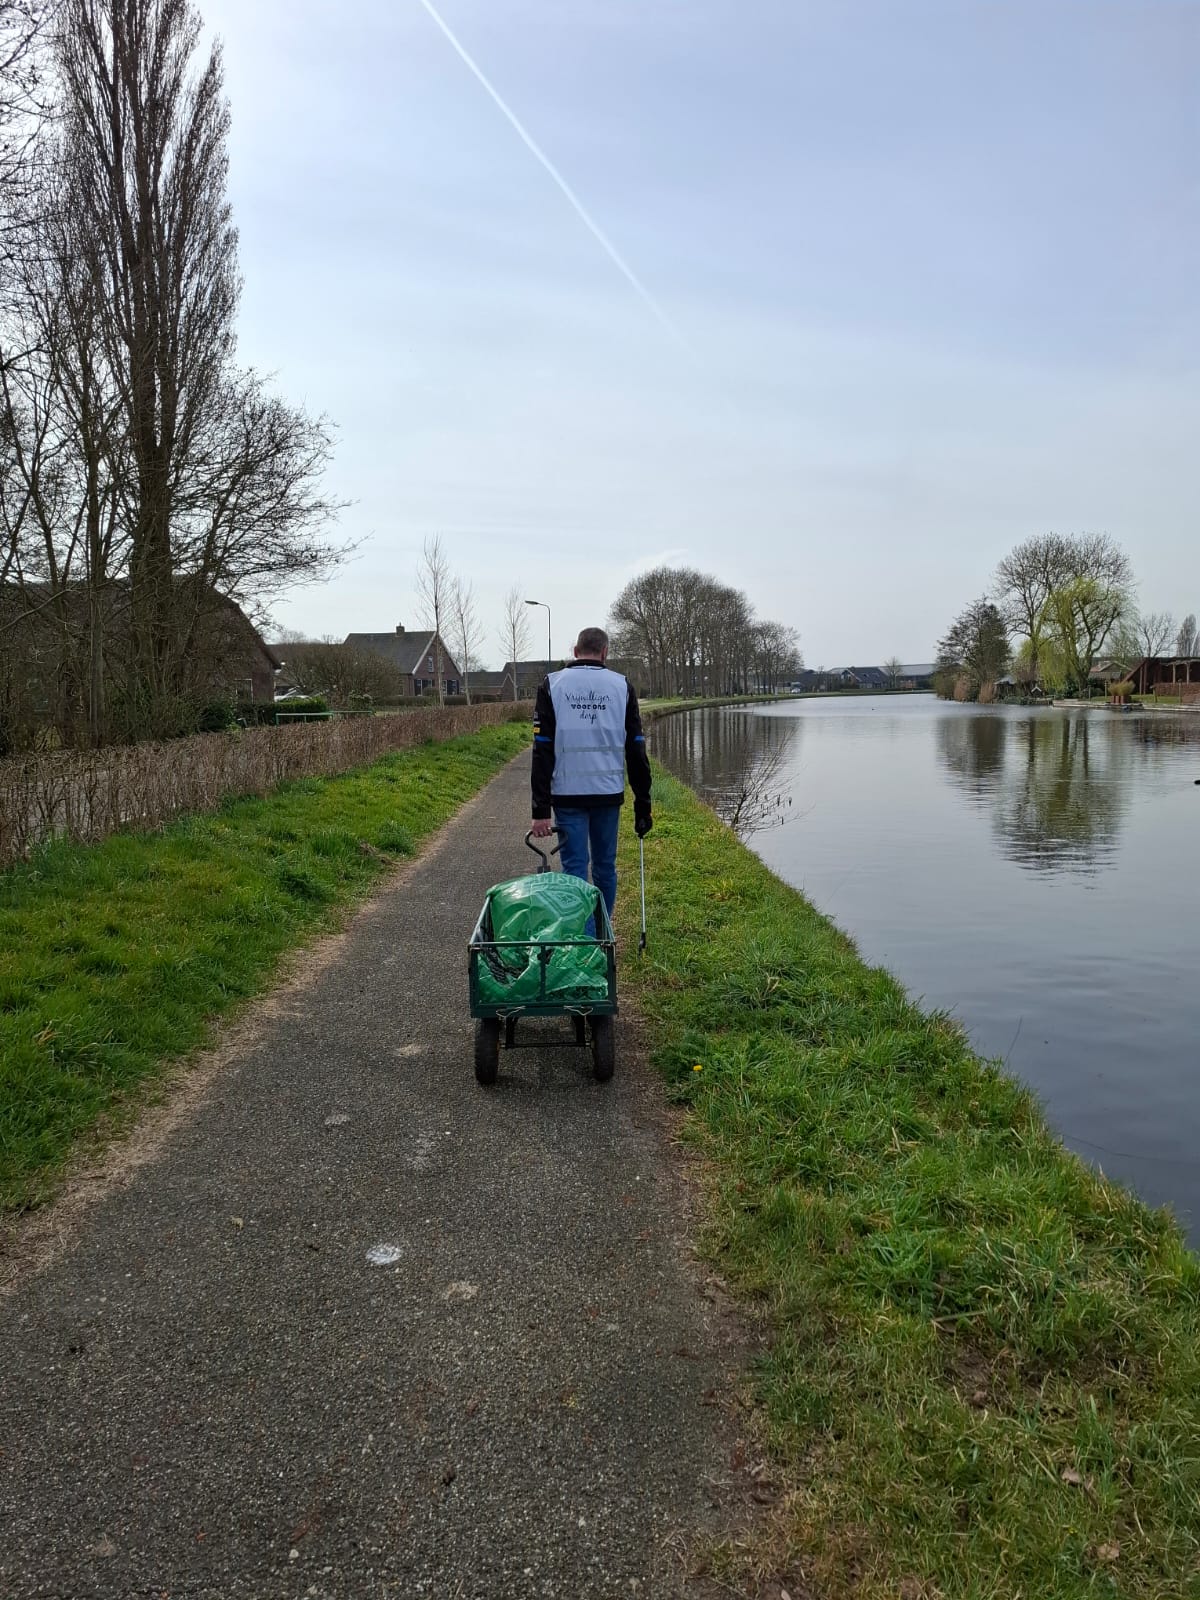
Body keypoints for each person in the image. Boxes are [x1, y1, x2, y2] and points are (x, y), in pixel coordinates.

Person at [530, 627, 652, 925]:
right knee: (605, 868)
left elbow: (542, 750)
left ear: (575, 651)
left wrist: (540, 810)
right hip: (607, 794)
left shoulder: (552, 685)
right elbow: (636, 749)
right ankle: (600, 934)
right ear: (604, 652)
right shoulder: (622, 686)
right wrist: (643, 800)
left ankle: (581, 942)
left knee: (574, 868)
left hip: (567, 794)